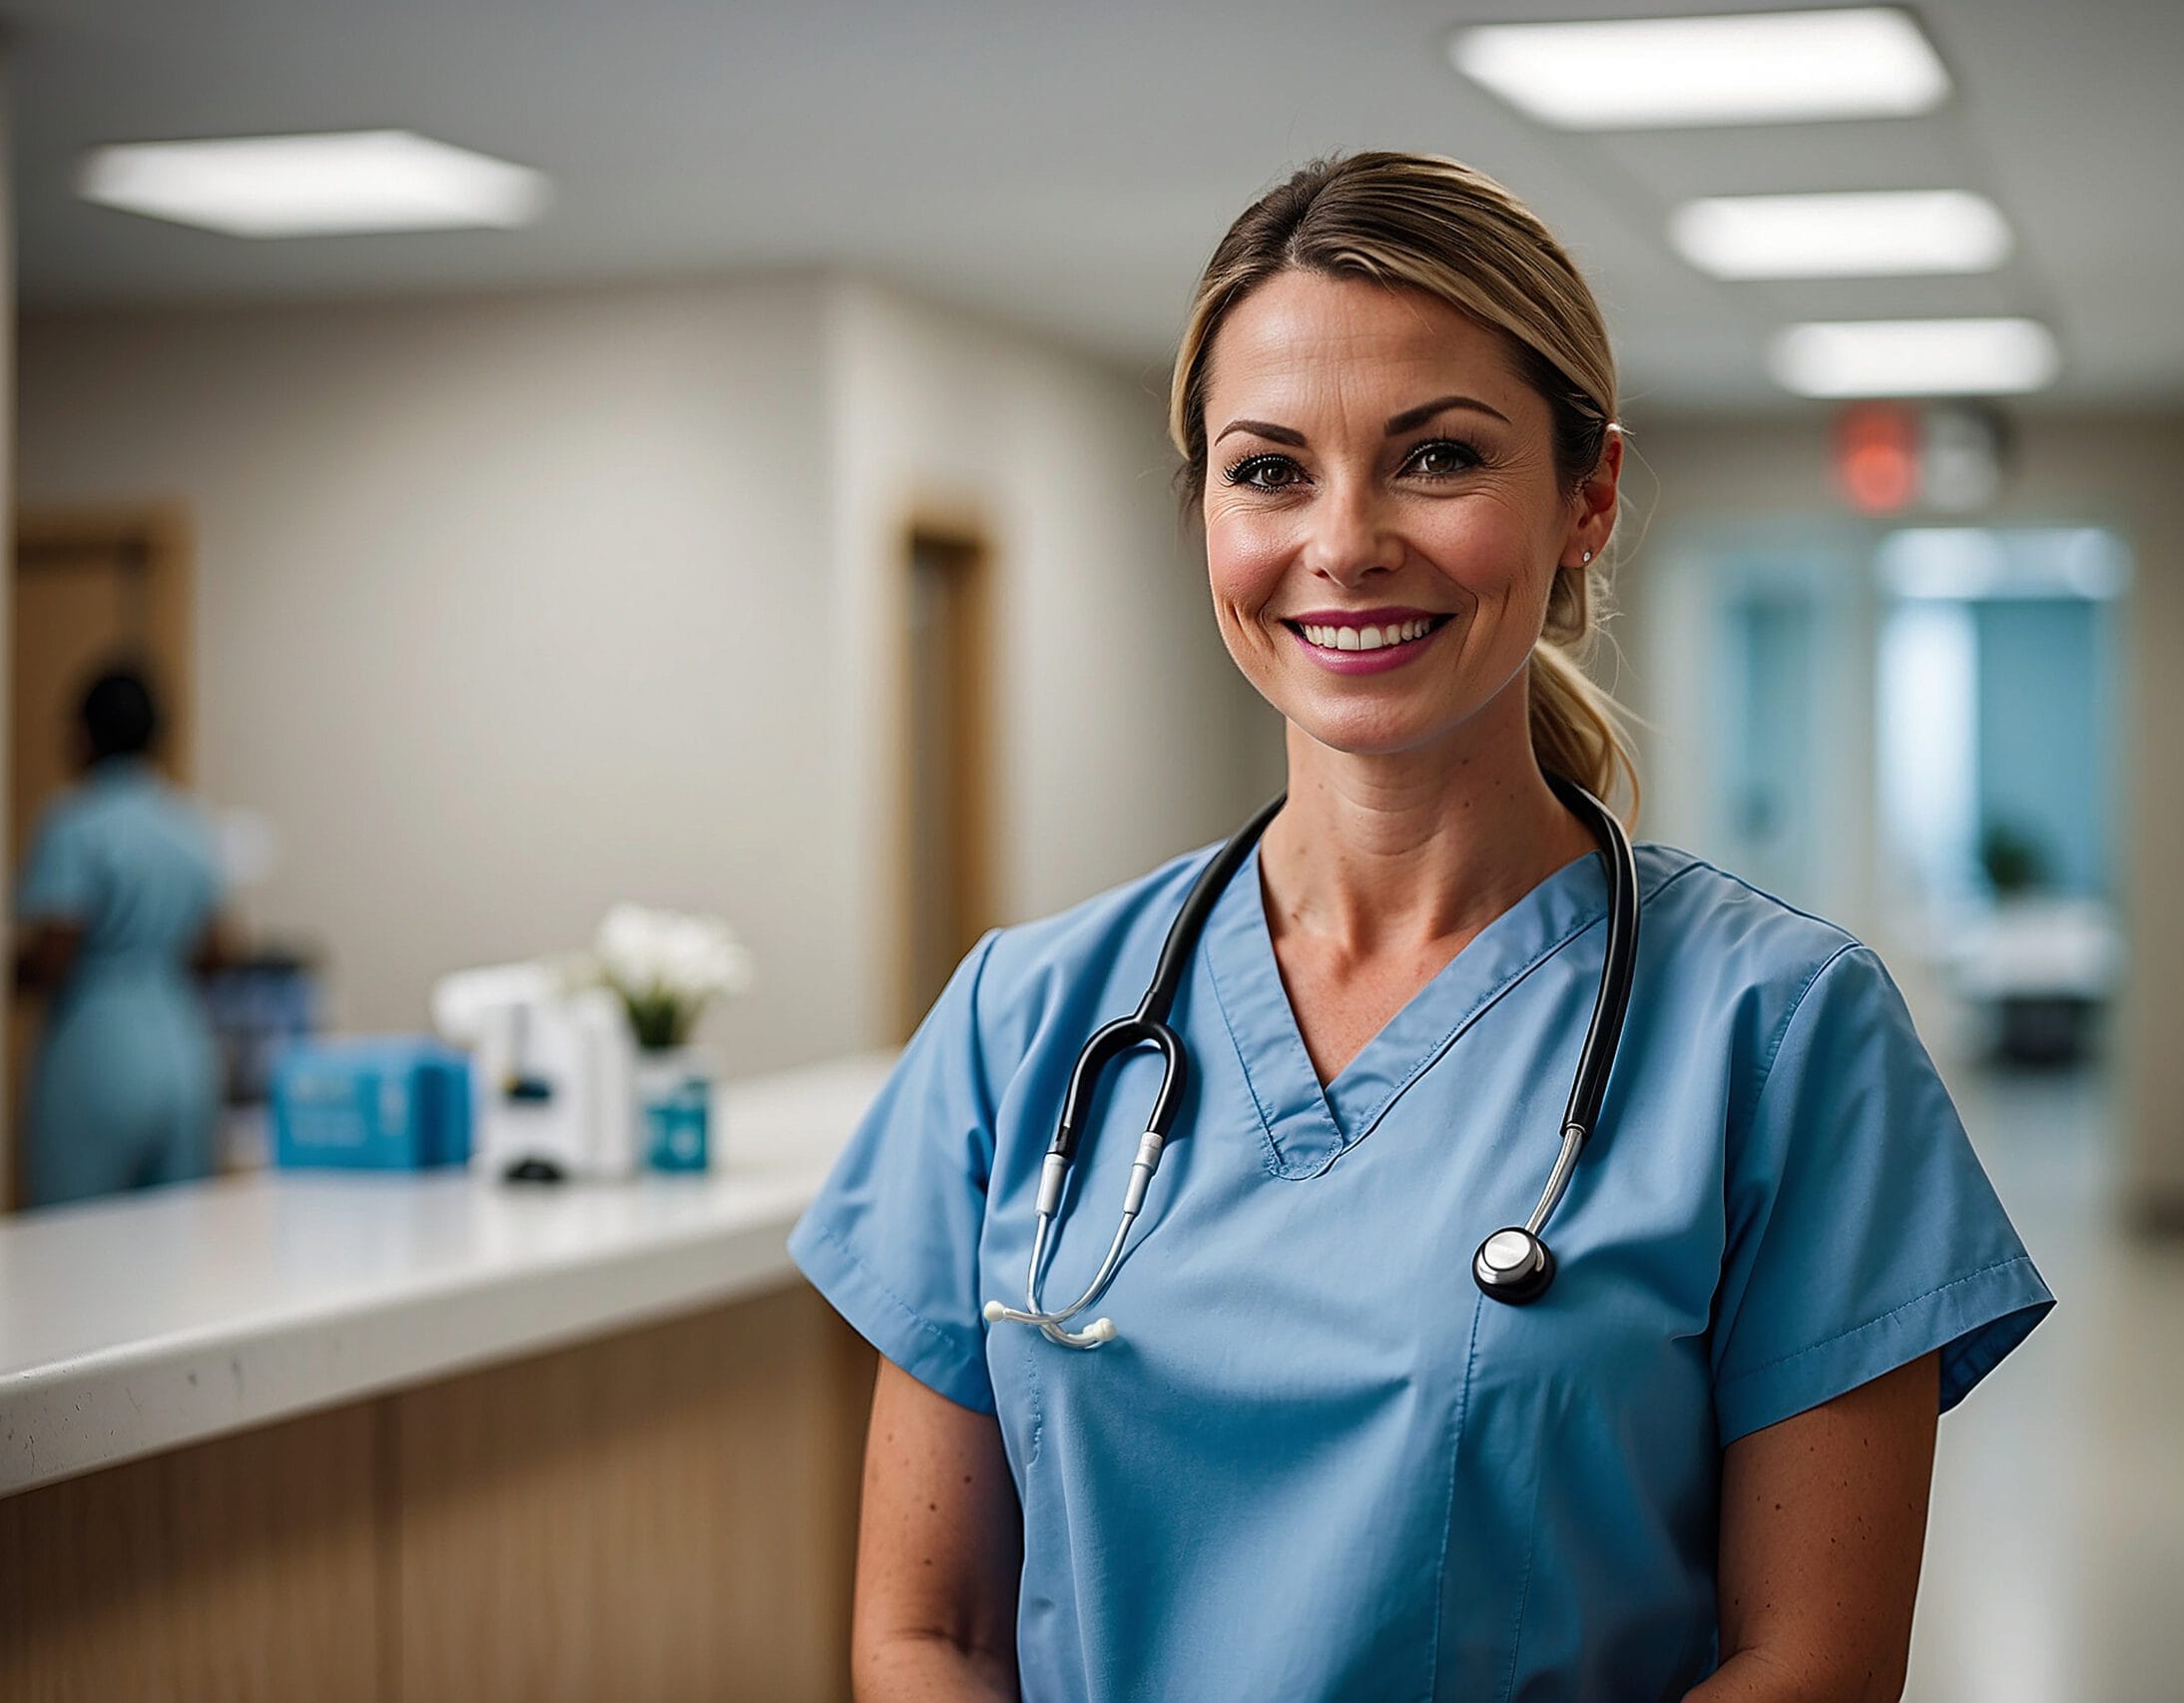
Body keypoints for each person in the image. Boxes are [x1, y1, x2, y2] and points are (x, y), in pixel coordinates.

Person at [791, 152, 2052, 1702]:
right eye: (1268, 469)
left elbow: (1813, 1667)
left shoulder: (1779, 1031)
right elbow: (932, 1635)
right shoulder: (1023, 1020)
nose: (1346, 540)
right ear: (1205, 510)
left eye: (1438, 457)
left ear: (1587, 494)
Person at [11, 664, 227, 1208]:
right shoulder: (189, 824)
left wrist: (8, 970)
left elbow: (55, 951)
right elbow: (218, 951)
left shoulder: (75, 824)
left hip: (98, 1051)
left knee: (74, 1251)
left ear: (82, 734)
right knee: (176, 1254)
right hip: (184, 1050)